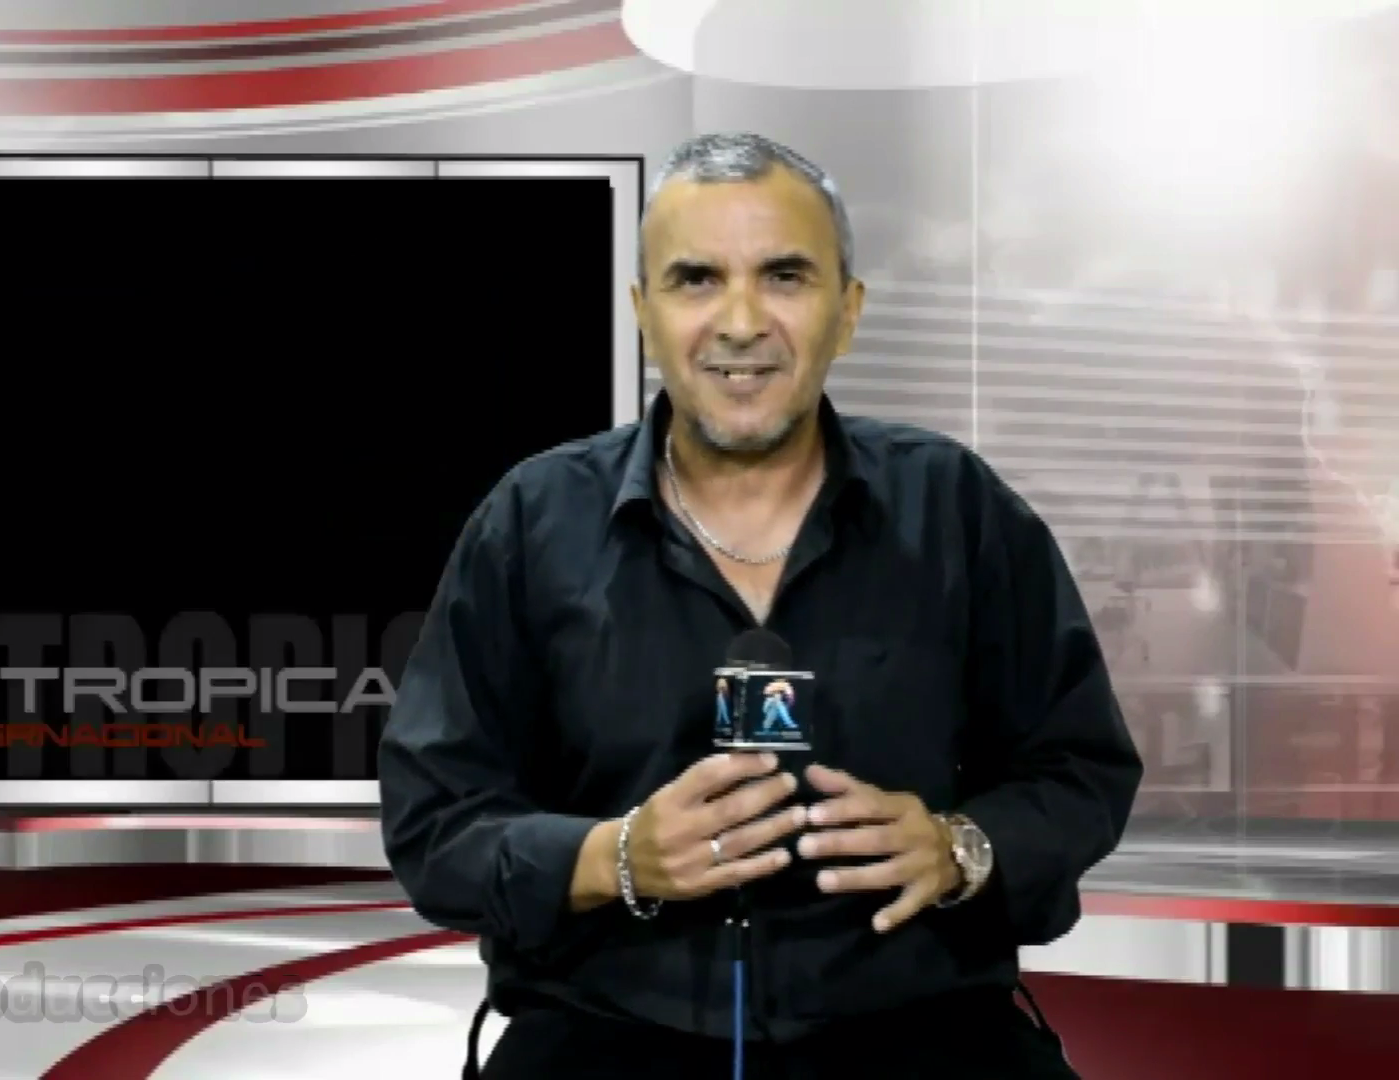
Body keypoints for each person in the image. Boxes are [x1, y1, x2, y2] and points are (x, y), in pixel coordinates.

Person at [378, 132, 1143, 1079]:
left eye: (785, 276)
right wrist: (614, 858)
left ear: (847, 312)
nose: (741, 322)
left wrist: (961, 849)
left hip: (923, 1030)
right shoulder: (532, 521)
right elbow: (435, 823)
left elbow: (1079, 769)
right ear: (643, 314)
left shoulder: (957, 508)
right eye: (697, 279)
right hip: (604, 1032)